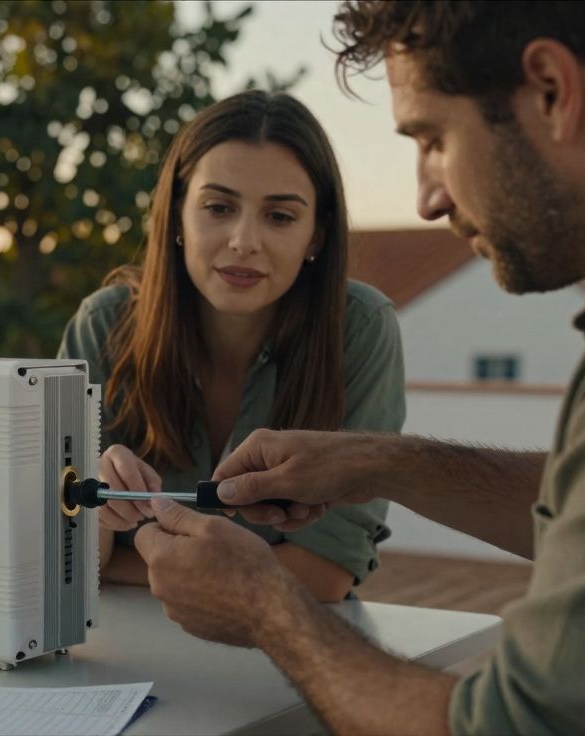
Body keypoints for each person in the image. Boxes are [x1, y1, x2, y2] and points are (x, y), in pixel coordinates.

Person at [132, 1, 585, 733]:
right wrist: (384, 464)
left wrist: (266, 609)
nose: (428, 199)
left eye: (432, 139)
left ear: (553, 90)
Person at [57, 90, 405, 603]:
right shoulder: (103, 324)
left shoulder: (360, 328)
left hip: (282, 642)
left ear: (316, 236)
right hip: (118, 642)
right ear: (177, 215)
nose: (244, 240)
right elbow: (67, 557)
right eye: (218, 207)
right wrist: (99, 514)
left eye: (280, 216)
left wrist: (128, 564)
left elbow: (326, 572)